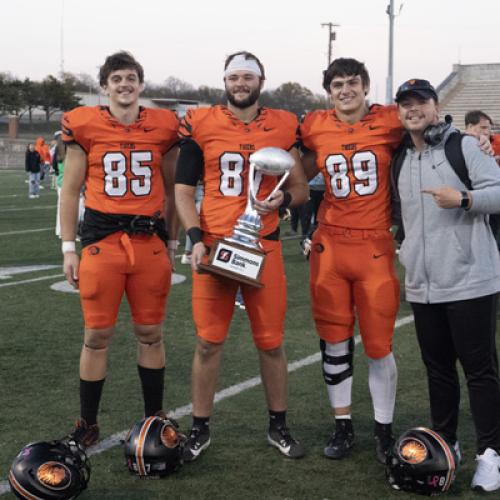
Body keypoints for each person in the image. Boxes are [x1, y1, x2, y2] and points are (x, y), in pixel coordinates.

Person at [175, 51, 309, 461]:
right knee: (207, 342)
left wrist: (283, 199)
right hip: (215, 243)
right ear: (225, 81)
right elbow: (182, 189)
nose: (240, 84)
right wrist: (194, 238)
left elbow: (301, 188)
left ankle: (278, 425)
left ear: (260, 80)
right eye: (234, 77)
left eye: (247, 77)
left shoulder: (284, 125)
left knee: (270, 342)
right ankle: (200, 429)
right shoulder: (203, 123)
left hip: (262, 244)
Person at [60, 51, 179, 447]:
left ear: (141, 85)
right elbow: (71, 190)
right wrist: (67, 247)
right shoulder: (85, 124)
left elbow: (174, 189)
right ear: (104, 87)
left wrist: (173, 239)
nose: (124, 85)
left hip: (149, 244)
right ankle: (87, 422)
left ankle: (153, 418)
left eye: (130, 78)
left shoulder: (163, 127)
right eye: (116, 79)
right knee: (96, 336)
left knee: (151, 333)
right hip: (101, 244)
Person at [394, 78, 500, 493]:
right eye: (405, 104)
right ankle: (446, 443)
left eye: (420, 101)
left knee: (479, 371)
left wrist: (465, 199)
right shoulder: (400, 157)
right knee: (438, 371)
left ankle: (491, 453)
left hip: (471, 279)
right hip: (423, 284)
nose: (413, 109)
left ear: (436, 107)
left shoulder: (466, 146)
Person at [300, 58, 402, 463]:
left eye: (353, 82)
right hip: (330, 247)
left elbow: (430, 127)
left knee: (378, 345)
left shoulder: (390, 121)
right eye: (338, 84)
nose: (346, 90)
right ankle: (342, 425)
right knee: (334, 342)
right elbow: (295, 163)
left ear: (366, 86)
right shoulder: (313, 125)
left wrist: (482, 140)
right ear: (328, 91)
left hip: (375, 246)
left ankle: (383, 429)